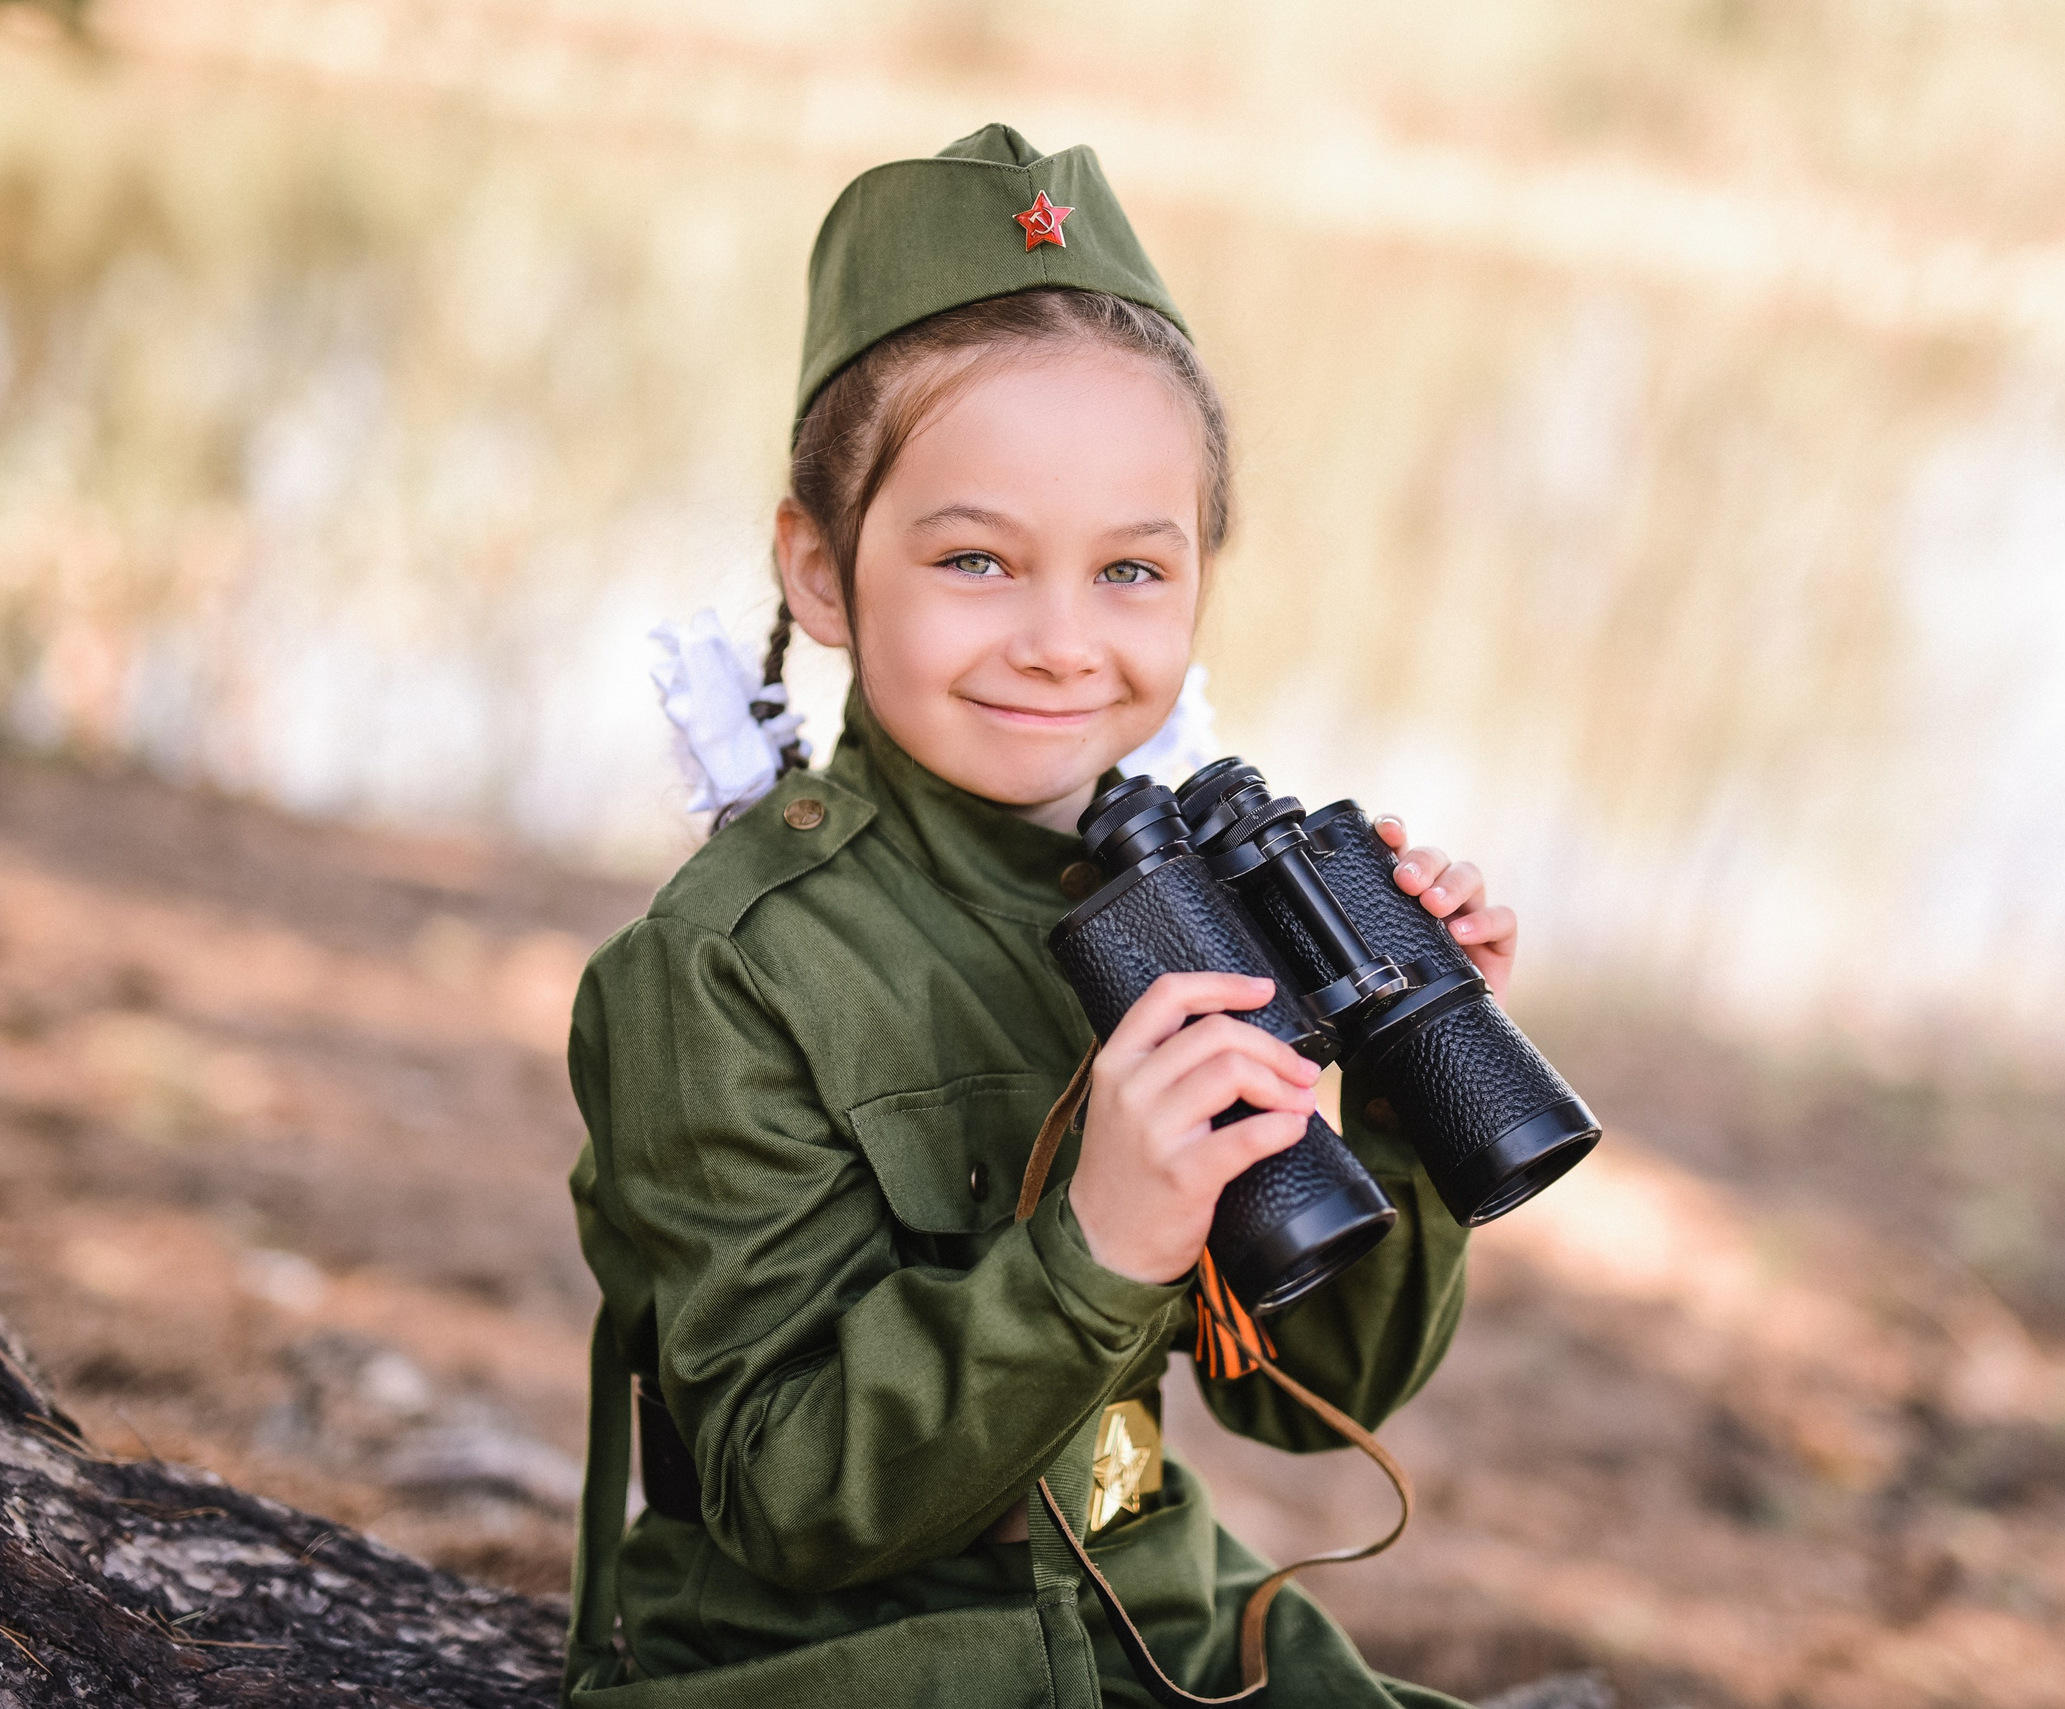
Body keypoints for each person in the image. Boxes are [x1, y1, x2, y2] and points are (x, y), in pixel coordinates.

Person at [564, 124, 1519, 1708]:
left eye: (1131, 572)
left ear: (1201, 574)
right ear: (819, 569)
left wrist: (1418, 1081)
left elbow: (1307, 1398)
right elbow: (787, 1494)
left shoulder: (1208, 909)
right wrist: (1098, 1247)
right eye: (976, 559)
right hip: (840, 1668)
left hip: (1171, 1632)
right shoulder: (726, 969)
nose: (1063, 642)